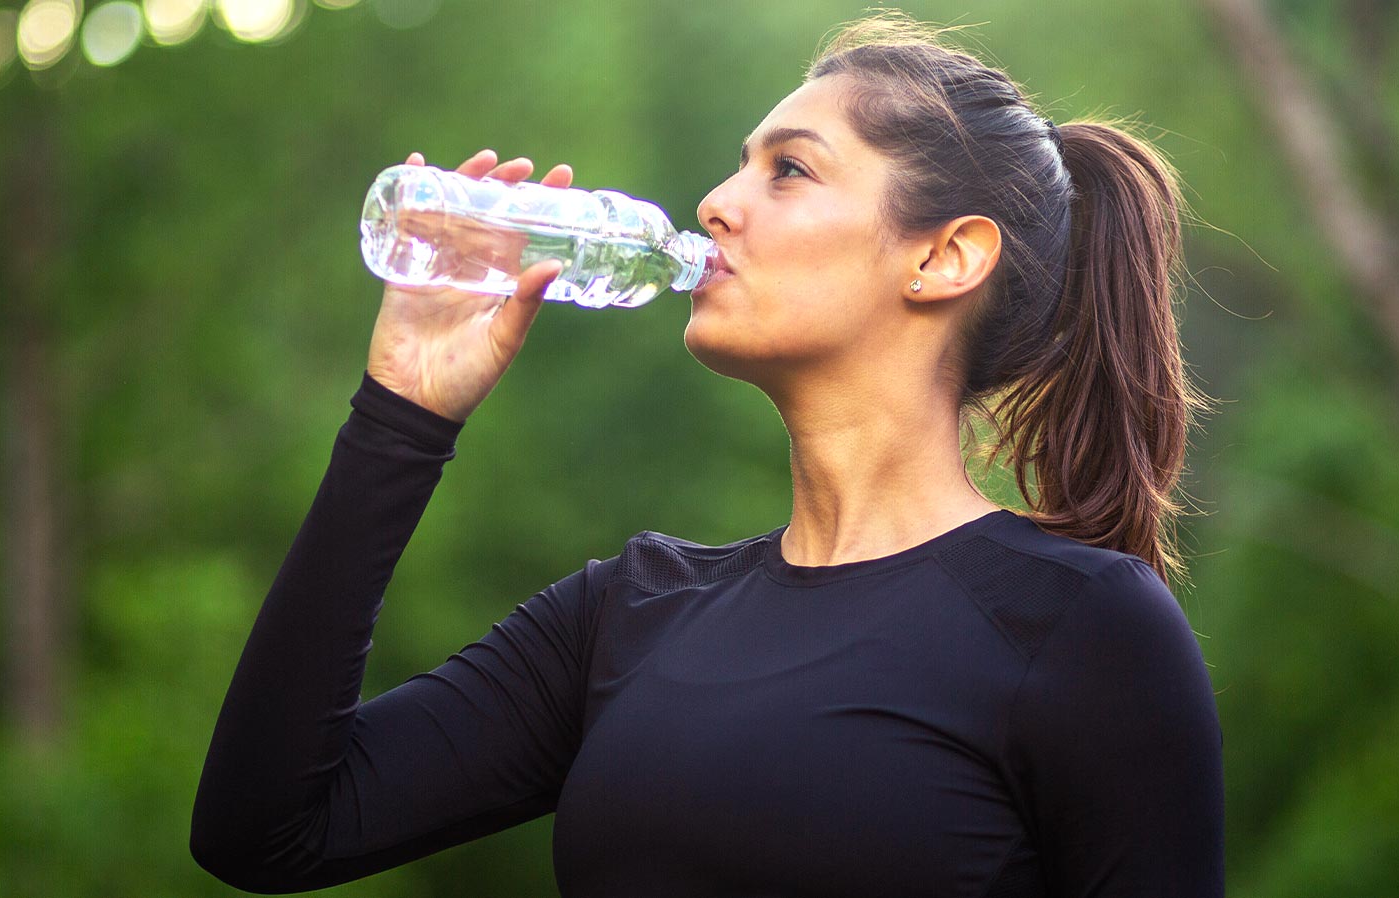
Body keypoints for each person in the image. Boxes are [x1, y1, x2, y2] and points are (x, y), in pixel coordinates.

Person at [191, 10, 1222, 897]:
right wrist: (402, 413)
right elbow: (264, 829)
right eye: (741, 166)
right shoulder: (625, 615)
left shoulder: (1082, 628)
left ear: (942, 256)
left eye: (789, 170)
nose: (717, 204)